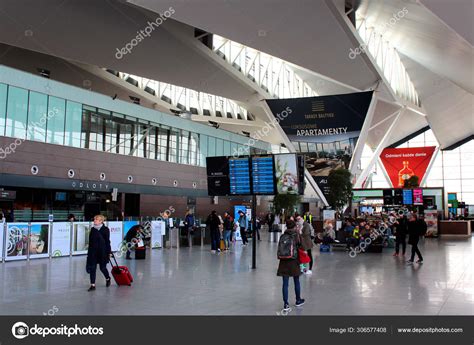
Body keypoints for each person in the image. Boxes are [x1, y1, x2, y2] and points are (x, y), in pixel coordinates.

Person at [277, 219, 305, 312]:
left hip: (283, 261)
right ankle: (298, 300)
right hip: (294, 261)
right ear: (294, 226)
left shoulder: (282, 236)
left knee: (285, 284)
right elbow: (302, 246)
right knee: (296, 281)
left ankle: (286, 304)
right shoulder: (296, 235)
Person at [86, 215, 111, 291]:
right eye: (94, 219)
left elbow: (107, 241)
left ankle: (107, 278)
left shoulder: (105, 229)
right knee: (93, 268)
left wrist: (108, 252)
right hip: (93, 252)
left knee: (102, 268)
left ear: (101, 221)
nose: (94, 220)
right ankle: (92, 285)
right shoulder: (93, 229)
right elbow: (90, 242)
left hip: (102, 252)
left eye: (96, 219)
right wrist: (89, 253)